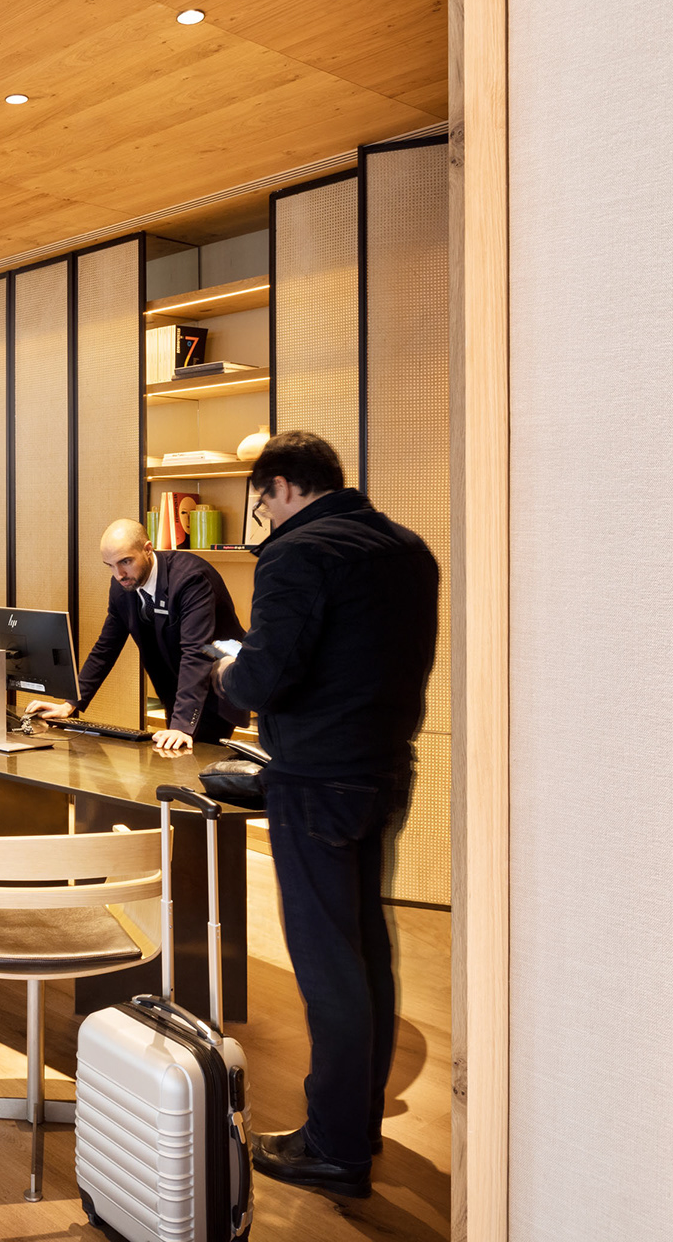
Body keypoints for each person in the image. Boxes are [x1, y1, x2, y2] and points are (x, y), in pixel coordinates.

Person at [212, 431, 438, 1199]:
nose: (267, 519)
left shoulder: (295, 553)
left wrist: (227, 672)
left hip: (315, 782)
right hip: (385, 771)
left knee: (328, 969)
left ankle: (335, 1148)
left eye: (263, 505)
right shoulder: (408, 549)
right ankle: (354, 1126)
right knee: (367, 954)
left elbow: (264, 679)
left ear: (280, 487)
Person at [26, 519, 247, 750]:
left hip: (215, 686)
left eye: (126, 561)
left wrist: (181, 725)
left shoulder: (191, 579)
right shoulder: (123, 585)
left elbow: (196, 652)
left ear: (148, 549)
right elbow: (105, 648)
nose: (119, 574)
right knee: (172, 761)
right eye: (110, 565)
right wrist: (71, 703)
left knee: (197, 763)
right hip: (177, 690)